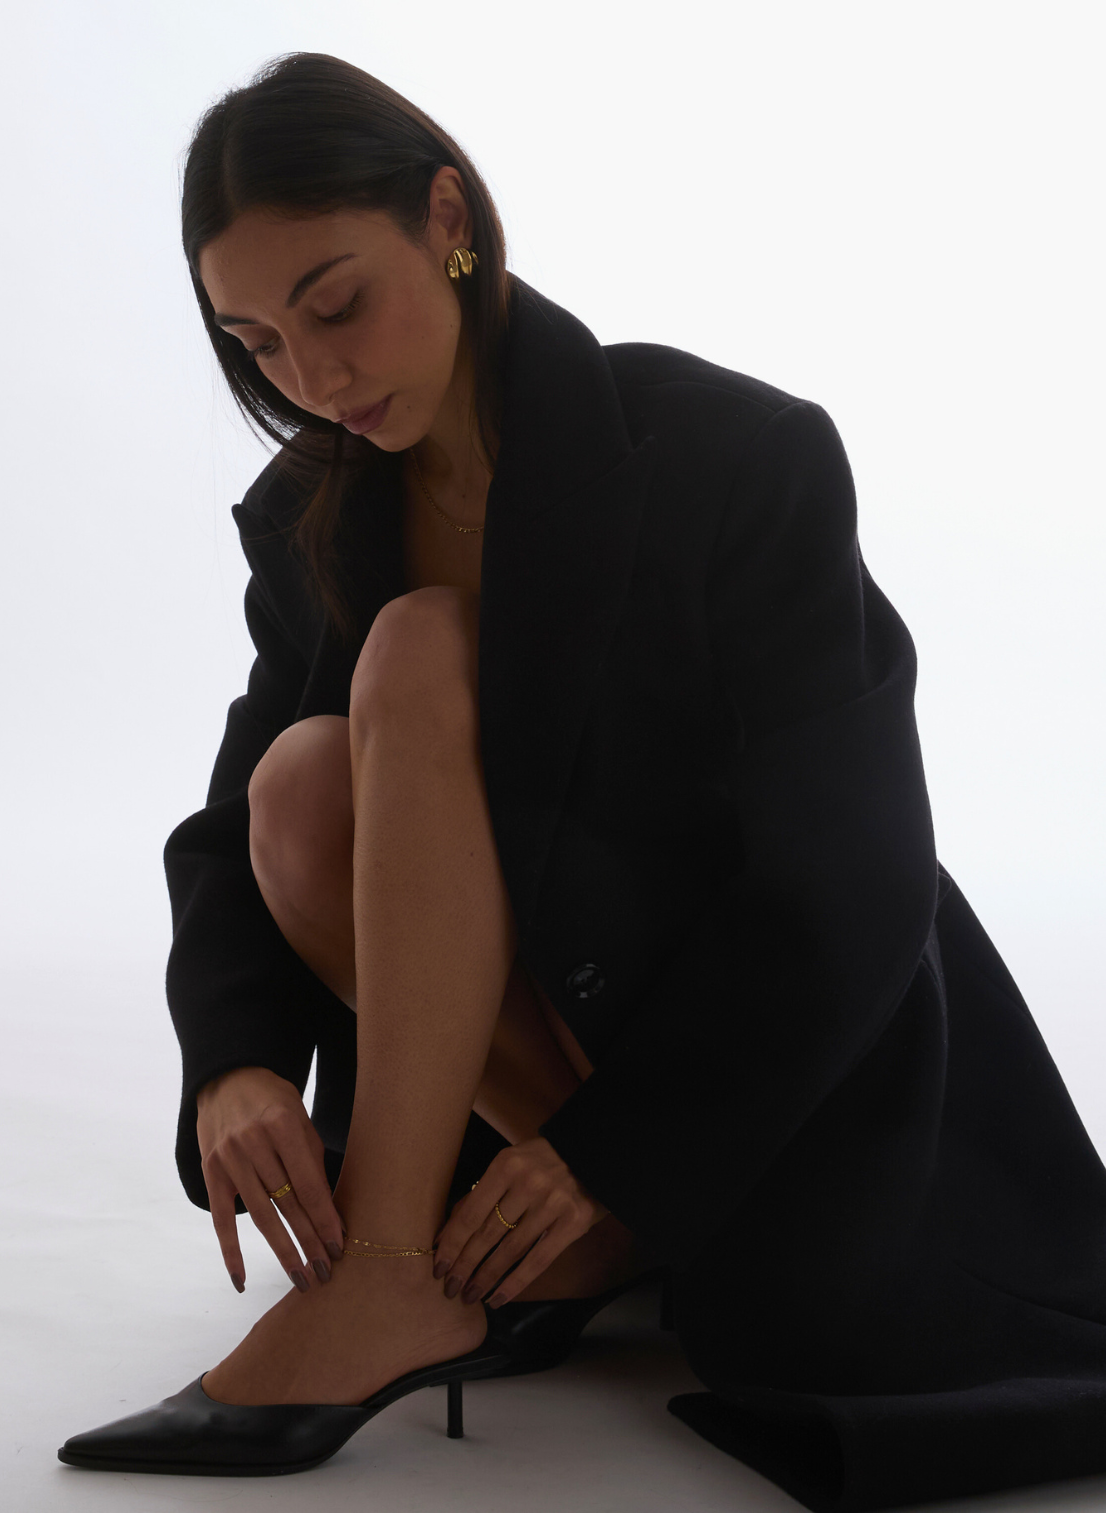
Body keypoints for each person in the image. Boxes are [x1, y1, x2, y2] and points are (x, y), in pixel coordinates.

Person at [59, 52, 1106, 1511]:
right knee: (296, 782)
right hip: (535, 1068)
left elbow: (852, 878)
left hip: (771, 1069)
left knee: (421, 647)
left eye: (336, 306)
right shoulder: (319, 514)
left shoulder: (736, 457)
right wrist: (234, 1061)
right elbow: (232, 822)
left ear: (446, 220)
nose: (313, 380)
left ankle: (402, 1267)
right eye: (258, 345)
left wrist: (619, 1152)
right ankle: (474, 1250)